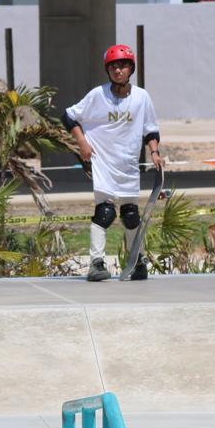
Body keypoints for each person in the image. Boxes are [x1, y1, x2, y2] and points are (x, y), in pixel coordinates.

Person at [63, 44, 165, 282]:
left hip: (128, 165)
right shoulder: (98, 95)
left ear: (131, 68)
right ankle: (96, 264)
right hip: (103, 163)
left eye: (123, 65)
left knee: (131, 215)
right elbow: (68, 116)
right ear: (107, 70)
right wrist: (82, 143)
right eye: (113, 67)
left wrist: (155, 152)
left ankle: (137, 261)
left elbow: (150, 129)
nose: (118, 70)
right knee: (105, 213)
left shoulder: (142, 97)